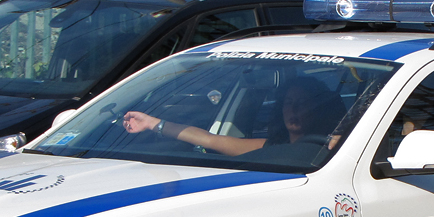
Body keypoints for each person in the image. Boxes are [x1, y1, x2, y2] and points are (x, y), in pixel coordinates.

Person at [123, 77, 345, 156]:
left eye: (302, 103)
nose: (294, 109)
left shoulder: (330, 149)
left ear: (317, 108)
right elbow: (209, 139)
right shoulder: (269, 147)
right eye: (289, 102)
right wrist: (153, 123)